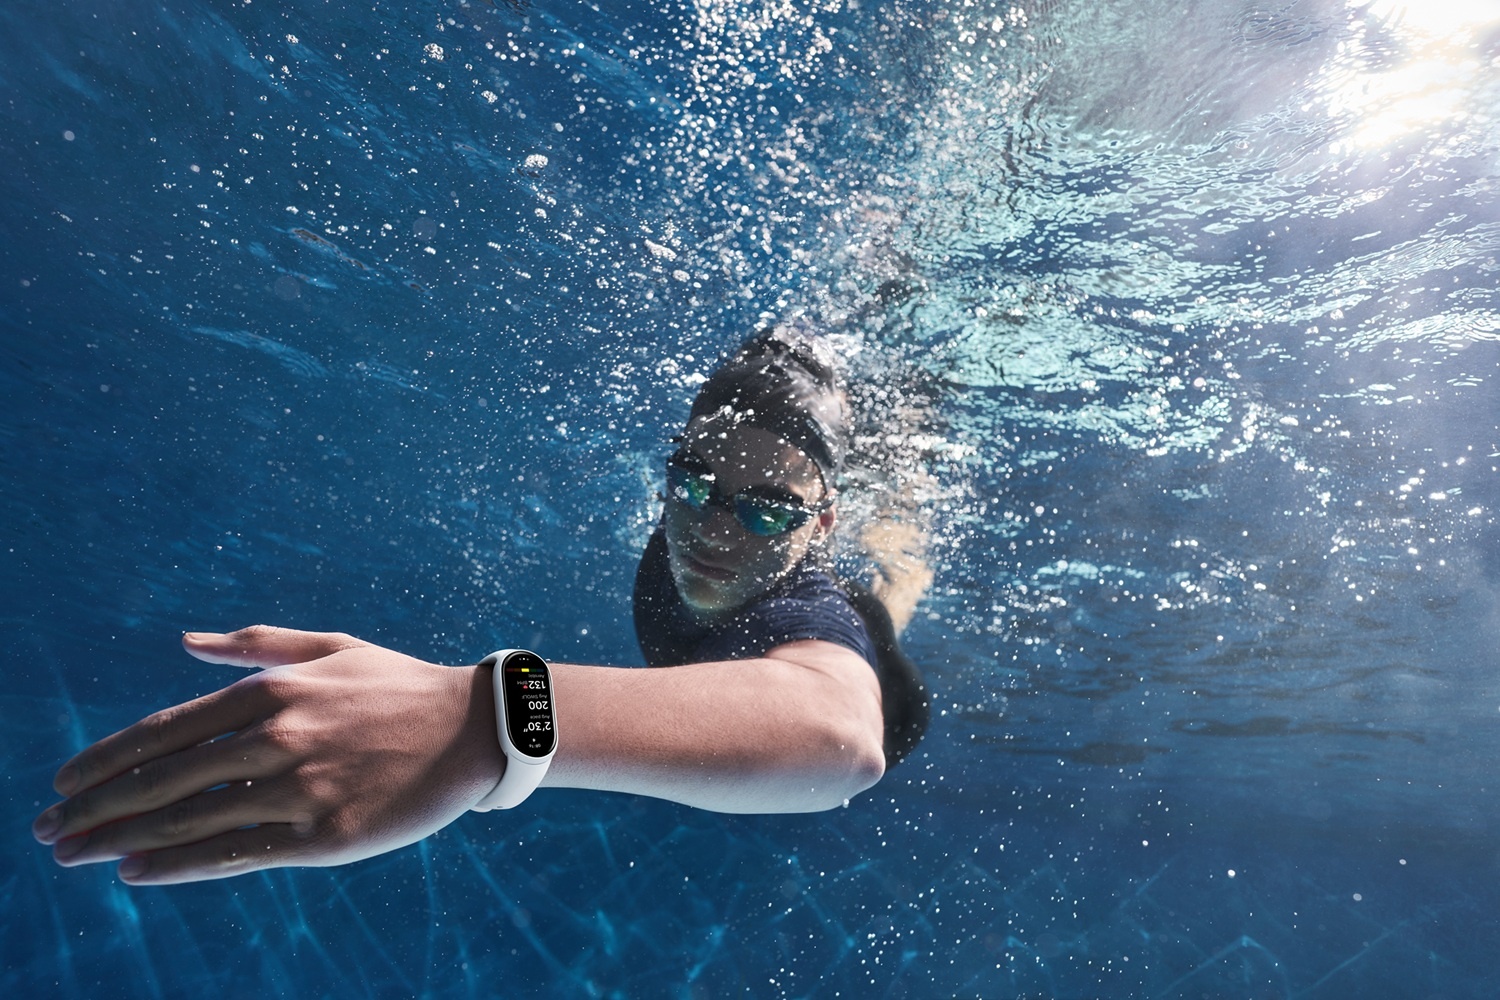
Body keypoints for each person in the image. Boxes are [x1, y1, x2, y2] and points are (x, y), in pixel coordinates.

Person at [31, 329, 929, 885]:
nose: (716, 530)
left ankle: (906, 537)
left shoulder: (807, 608)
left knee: (891, 589)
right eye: (693, 485)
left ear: (820, 523)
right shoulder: (688, 527)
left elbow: (840, 735)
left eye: (768, 510)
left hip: (860, 663)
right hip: (712, 663)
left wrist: (480, 721)